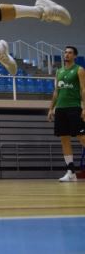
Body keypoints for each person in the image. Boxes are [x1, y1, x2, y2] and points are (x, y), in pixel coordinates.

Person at [47, 46, 85, 182]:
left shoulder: (79, 70)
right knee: (64, 139)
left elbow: (83, 89)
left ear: (75, 56)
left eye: (70, 53)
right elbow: (56, 91)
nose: (67, 54)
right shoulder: (59, 71)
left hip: (74, 107)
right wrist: (51, 108)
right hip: (61, 109)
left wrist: (84, 107)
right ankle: (71, 172)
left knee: (81, 137)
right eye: (65, 52)